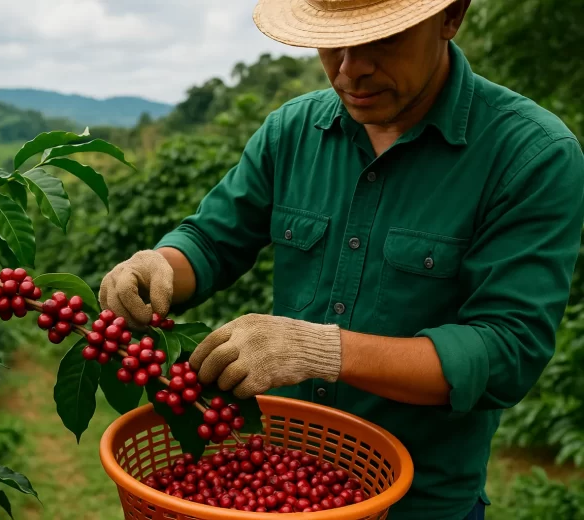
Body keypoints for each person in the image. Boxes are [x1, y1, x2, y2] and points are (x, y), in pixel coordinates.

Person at [98, 0, 584, 518]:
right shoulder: (292, 131)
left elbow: (504, 351)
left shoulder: (530, 155)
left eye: (382, 40)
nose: (351, 69)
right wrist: (160, 266)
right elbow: (214, 240)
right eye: (333, 43)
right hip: (280, 480)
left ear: (452, 17)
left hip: (421, 502)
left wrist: (323, 350)